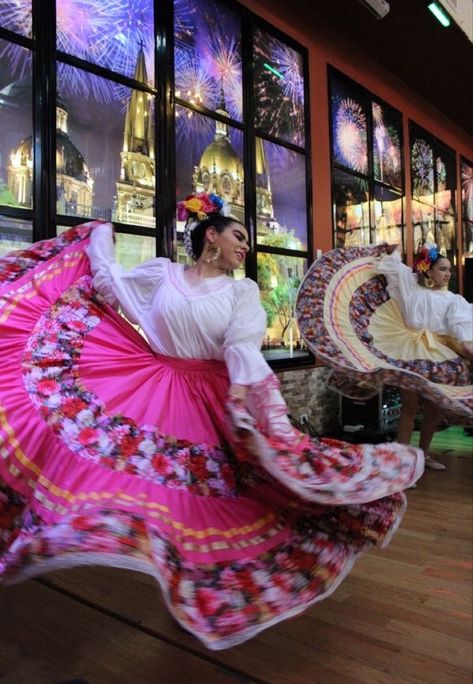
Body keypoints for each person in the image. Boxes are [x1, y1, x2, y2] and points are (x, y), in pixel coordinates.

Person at [0, 192, 423, 651]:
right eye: (238, 236)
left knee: (207, 499)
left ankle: (202, 583)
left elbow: (242, 347)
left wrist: (246, 397)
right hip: (151, 385)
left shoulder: (241, 291)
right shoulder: (160, 274)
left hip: (211, 397)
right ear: (210, 235)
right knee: (135, 484)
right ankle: (146, 562)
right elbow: (111, 284)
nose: (245, 247)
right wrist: (99, 237)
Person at [377, 244, 473, 470]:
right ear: (428, 271)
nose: (447, 273)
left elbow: (460, 329)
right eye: (442, 268)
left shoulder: (453, 300)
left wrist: (468, 350)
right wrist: (395, 249)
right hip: (411, 350)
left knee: (433, 408)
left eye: (449, 269)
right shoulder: (411, 289)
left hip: (439, 353)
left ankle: (423, 455)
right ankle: (402, 463)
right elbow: (394, 268)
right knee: (409, 407)